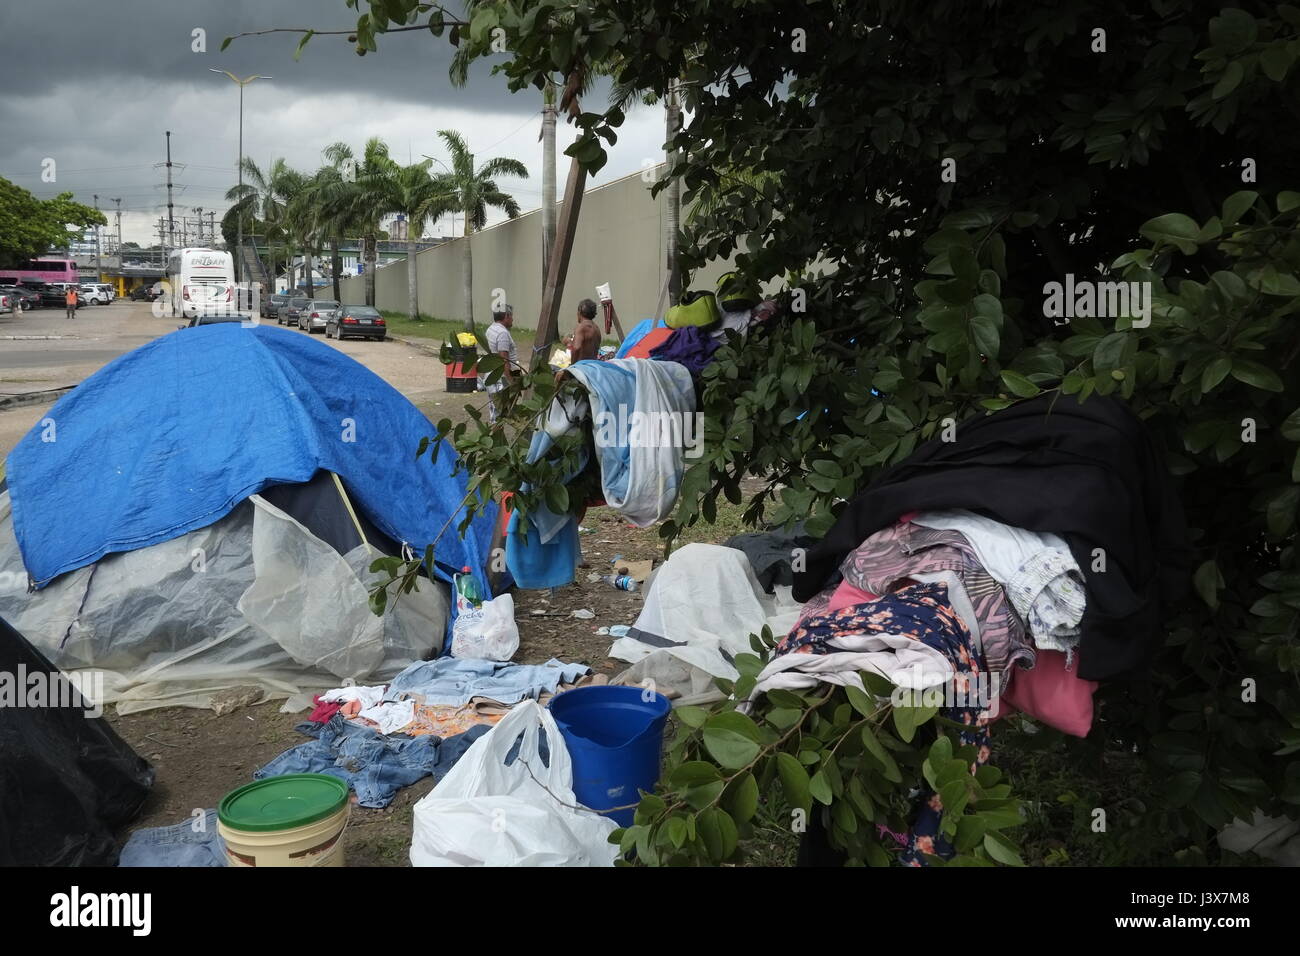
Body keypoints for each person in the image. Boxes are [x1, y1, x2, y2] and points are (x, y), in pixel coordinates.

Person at [481, 304, 517, 424]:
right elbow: (504, 360)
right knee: (499, 415)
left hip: (491, 376)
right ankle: (495, 438)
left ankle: (494, 438)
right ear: (506, 316)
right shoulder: (502, 333)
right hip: (499, 379)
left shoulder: (491, 328)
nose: (512, 319)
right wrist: (511, 381)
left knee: (495, 413)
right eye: (511, 316)